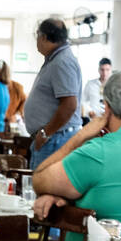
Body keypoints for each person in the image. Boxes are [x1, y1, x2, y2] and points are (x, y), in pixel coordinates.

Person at [32, 69, 121, 241]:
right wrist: (70, 198)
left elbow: (39, 178)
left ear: (107, 107)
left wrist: (80, 136)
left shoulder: (98, 153)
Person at [25, 17, 82, 169]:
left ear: (43, 37)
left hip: (56, 138)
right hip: (54, 137)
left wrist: (45, 133)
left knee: (45, 188)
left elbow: (69, 104)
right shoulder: (55, 59)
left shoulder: (62, 62)